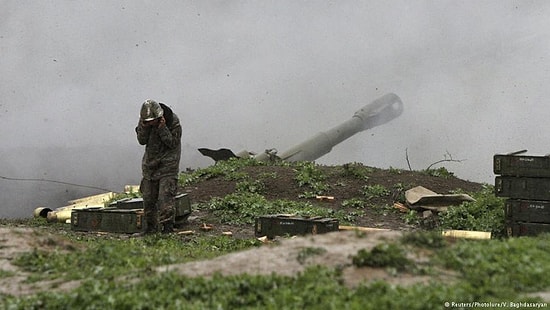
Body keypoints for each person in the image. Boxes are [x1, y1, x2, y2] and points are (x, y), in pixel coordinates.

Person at [136, 99, 182, 233]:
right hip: (150, 165)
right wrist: (144, 128)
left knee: (165, 199)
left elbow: (172, 143)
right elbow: (141, 140)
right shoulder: (144, 121)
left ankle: (167, 228)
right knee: (148, 199)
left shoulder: (173, 122)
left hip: (168, 165)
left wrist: (162, 129)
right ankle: (150, 229)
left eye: (152, 121)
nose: (151, 124)